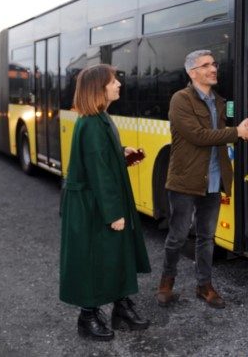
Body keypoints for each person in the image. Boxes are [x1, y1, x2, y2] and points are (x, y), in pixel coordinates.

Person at [155, 49, 248, 309]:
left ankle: (204, 285)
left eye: (214, 64)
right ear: (192, 73)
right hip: (184, 181)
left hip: (213, 180)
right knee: (178, 236)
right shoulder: (180, 100)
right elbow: (198, 135)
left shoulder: (222, 102)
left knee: (206, 237)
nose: (213, 69)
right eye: (205, 65)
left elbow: (223, 132)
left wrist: (244, 126)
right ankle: (166, 283)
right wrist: (236, 131)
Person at [59, 64, 151, 341]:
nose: (118, 85)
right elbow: (98, 172)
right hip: (94, 206)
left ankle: (120, 308)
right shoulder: (92, 122)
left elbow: (100, 159)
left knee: (114, 254)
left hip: (97, 202)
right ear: (99, 88)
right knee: (94, 259)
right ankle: (87, 317)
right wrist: (114, 213)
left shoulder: (99, 118)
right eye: (113, 82)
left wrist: (122, 152)